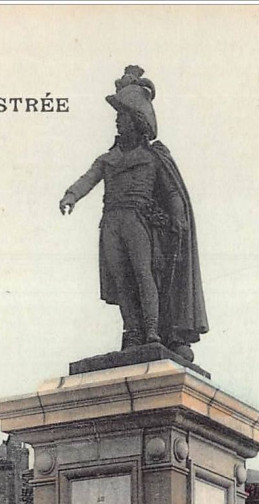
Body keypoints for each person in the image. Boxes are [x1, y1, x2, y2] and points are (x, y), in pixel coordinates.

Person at [59, 65, 208, 359]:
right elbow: (88, 178)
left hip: (139, 220)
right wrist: (71, 195)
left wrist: (178, 216)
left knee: (143, 275)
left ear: (136, 121)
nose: (117, 122)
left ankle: (152, 329)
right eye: (117, 117)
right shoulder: (107, 159)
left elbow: (173, 192)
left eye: (122, 116)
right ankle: (133, 330)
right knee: (122, 279)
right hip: (111, 221)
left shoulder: (153, 157)